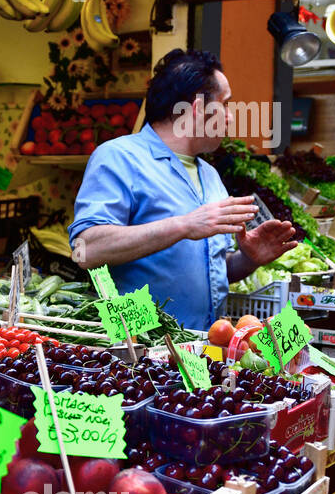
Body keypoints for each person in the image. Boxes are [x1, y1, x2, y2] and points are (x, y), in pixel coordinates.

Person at [67, 49, 298, 331]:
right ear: (198, 108)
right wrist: (184, 224)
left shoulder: (210, 175)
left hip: (201, 350)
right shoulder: (119, 157)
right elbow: (85, 250)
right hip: (138, 351)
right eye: (225, 104)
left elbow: (212, 271)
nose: (230, 117)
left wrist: (248, 259)